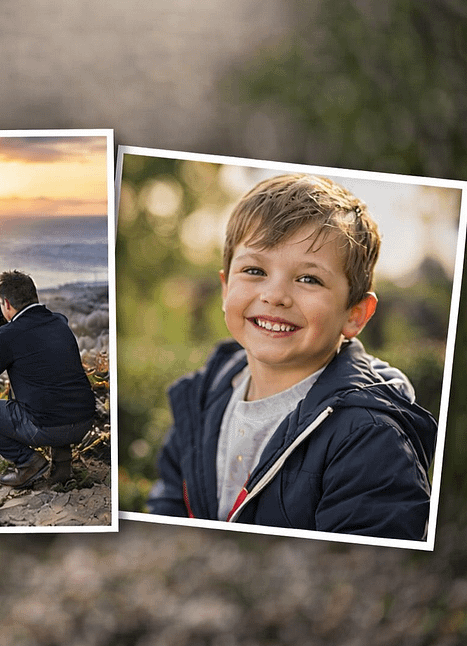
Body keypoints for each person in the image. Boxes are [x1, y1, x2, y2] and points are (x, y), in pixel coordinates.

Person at [147, 174, 437, 540]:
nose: (275, 295)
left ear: (355, 315)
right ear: (225, 288)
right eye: (255, 271)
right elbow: (169, 508)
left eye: (309, 279)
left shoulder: (370, 438)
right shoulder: (203, 396)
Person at [0, 270, 96, 488]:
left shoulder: (9, 336)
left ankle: (27, 462)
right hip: (84, 420)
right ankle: (62, 465)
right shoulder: (59, 322)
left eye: (1, 304)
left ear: (6, 303)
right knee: (52, 388)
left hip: (47, 428)